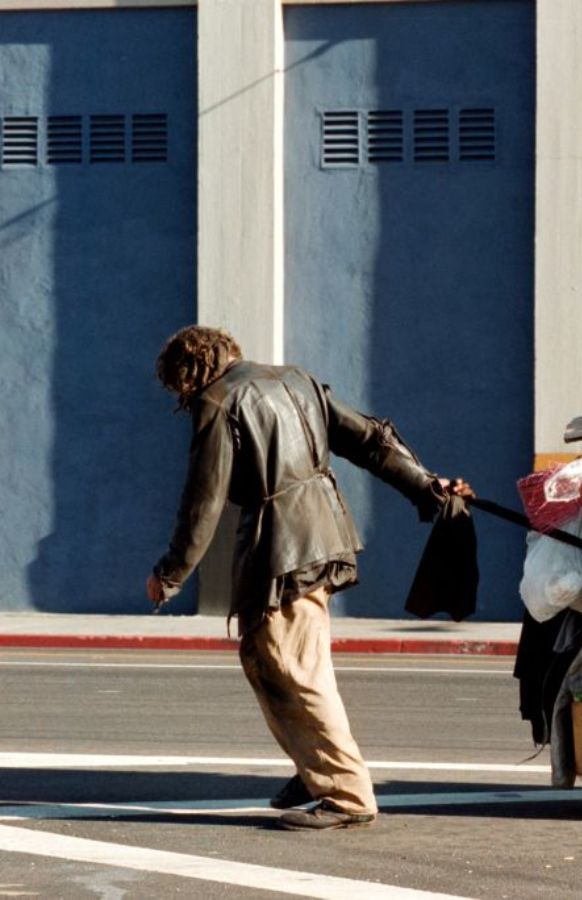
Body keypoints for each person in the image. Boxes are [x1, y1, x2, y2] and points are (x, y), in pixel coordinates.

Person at [145, 325, 472, 831]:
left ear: (188, 373)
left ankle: (346, 795)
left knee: (293, 667)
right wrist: (425, 486)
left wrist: (170, 573)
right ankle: (311, 766)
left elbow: (203, 500)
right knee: (269, 658)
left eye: (179, 388)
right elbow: (371, 439)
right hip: (323, 530)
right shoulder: (297, 379)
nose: (183, 399)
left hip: (280, 544)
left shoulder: (219, 400)